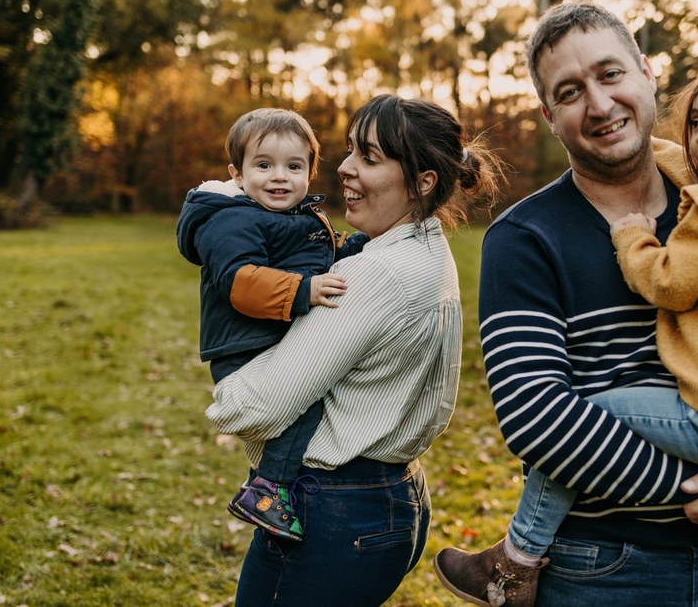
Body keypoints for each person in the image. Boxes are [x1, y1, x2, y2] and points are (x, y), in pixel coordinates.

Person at [434, 2, 698, 607]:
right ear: (549, 115)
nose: (598, 104)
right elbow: (537, 419)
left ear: (648, 73)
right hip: (603, 570)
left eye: (611, 74)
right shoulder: (526, 239)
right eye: (570, 91)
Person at [204, 94, 507, 606]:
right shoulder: (427, 249)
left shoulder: (375, 273)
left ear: (422, 181)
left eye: (368, 157)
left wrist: (224, 386)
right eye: (348, 151)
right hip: (392, 497)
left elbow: (255, 407)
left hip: (334, 514)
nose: (344, 168)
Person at [177, 107, 367, 541]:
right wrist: (302, 291)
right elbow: (239, 282)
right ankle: (267, 487)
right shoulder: (232, 219)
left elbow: (318, 259)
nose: (279, 176)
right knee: (302, 405)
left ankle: (275, 482)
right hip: (244, 346)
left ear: (309, 174)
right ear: (238, 175)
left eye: (293, 166)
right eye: (264, 165)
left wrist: (354, 249)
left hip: (268, 336)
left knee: (311, 400)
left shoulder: (294, 217)